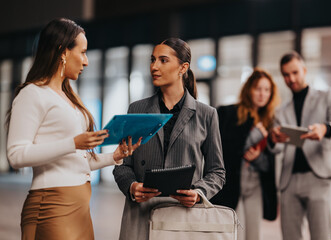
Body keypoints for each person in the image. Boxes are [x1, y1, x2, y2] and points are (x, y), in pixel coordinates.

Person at [6, 18, 141, 240]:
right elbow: (16, 155)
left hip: (80, 208)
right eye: (83, 52)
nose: (86, 61)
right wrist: (73, 143)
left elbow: (77, 161)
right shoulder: (32, 94)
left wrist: (115, 157)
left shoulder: (69, 99)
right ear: (63, 52)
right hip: (52, 207)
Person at [113, 38, 226, 240]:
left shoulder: (206, 114)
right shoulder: (137, 110)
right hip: (141, 215)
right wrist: (132, 186)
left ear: (183, 68)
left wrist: (199, 192)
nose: (154, 66)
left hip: (183, 218)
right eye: (153, 59)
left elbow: (217, 171)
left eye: (163, 60)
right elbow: (122, 165)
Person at [269, 51, 331, 240]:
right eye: (286, 75)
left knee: (321, 236)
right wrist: (274, 140)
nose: (291, 79)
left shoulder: (328, 95)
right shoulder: (281, 111)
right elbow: (278, 149)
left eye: (295, 72)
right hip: (290, 181)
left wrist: (325, 129)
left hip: (321, 178)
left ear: (304, 70)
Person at [211, 68, 279, 240]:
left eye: (267, 90)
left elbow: (270, 162)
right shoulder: (229, 114)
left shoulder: (270, 121)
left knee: (254, 234)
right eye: (258, 88)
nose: (262, 94)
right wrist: (253, 137)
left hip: (256, 185)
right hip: (232, 184)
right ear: (249, 89)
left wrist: (258, 158)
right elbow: (224, 148)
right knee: (235, 233)